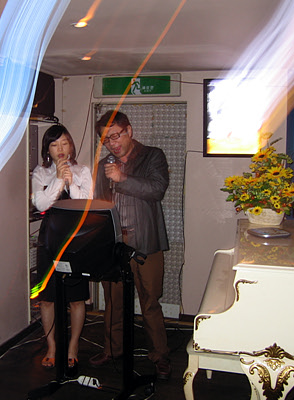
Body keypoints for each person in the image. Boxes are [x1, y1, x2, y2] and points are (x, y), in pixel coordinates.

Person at [91, 110, 172, 380]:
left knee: (150, 301)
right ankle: (112, 349)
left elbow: (157, 189)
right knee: (113, 301)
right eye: (106, 139)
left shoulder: (152, 156)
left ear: (129, 131)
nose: (112, 144)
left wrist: (122, 178)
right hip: (115, 244)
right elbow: (99, 205)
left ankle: (160, 356)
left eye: (115, 136)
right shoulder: (104, 165)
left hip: (146, 242)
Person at [31, 124, 93, 371]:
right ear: (47, 149)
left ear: (71, 146)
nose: (60, 149)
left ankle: (73, 346)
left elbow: (86, 204)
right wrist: (57, 179)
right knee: (47, 298)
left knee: (76, 298)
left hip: (75, 238)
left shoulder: (82, 170)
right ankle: (52, 347)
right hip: (49, 238)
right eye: (54, 144)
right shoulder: (40, 173)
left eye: (65, 143)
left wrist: (70, 182)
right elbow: (41, 205)